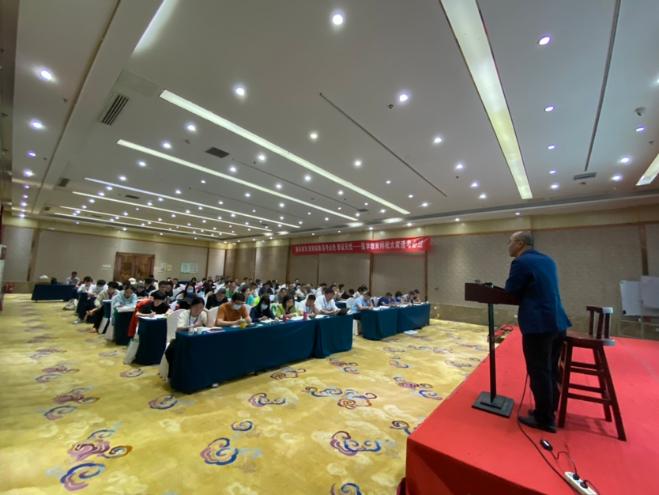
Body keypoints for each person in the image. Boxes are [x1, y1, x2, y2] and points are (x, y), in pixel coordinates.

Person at [504, 231, 571, 433]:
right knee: (550, 368)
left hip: (539, 324)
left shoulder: (521, 262)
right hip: (557, 322)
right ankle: (549, 409)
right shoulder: (548, 260)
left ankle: (544, 419)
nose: (508, 245)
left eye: (510, 242)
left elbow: (511, 291)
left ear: (520, 243)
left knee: (539, 370)